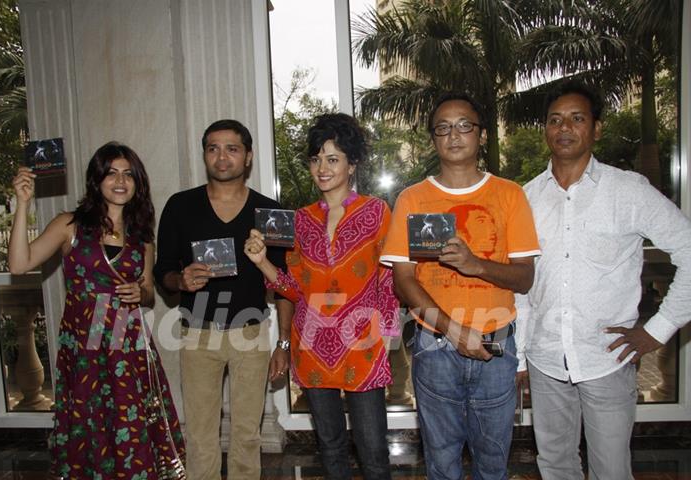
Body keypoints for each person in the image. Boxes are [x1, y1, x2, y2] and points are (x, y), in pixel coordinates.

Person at [517, 80, 691, 479]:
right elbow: (522, 286)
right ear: (545, 129)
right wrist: (520, 353)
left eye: (577, 118)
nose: (564, 128)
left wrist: (657, 331)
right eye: (555, 119)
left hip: (607, 359)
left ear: (596, 129)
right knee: (556, 464)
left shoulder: (628, 191)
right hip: (544, 361)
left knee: (611, 470)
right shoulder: (527, 198)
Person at [380, 92, 540, 479]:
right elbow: (403, 281)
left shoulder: (509, 194)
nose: (454, 135)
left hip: (495, 345)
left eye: (465, 125)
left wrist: (475, 265)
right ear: (433, 138)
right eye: (443, 128)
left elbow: (524, 277)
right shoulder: (413, 199)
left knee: (493, 459)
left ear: (481, 135)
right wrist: (454, 331)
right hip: (435, 346)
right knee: (442, 460)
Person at [9, 142, 185, 479]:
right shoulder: (69, 226)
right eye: (111, 173)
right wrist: (22, 204)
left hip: (128, 347)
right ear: (97, 179)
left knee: (131, 427)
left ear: (138, 182)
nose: (120, 181)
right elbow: (19, 263)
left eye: (128, 174)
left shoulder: (142, 236)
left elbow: (148, 292)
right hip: (85, 349)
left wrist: (141, 291)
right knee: (89, 428)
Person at [244, 113, 399, 479]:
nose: (323, 168)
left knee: (374, 452)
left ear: (352, 163)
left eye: (333, 158)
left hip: (363, 346)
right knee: (330, 448)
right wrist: (262, 261)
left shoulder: (377, 213)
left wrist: (387, 336)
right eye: (316, 159)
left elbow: (388, 279)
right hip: (313, 347)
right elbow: (293, 289)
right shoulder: (300, 220)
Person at [153, 119, 293, 480]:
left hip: (251, 332)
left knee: (248, 434)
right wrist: (179, 279)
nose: (222, 156)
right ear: (204, 155)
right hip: (198, 332)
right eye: (213, 148)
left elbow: (286, 286)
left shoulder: (270, 211)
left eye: (232, 148)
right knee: (200, 435)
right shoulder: (180, 206)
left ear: (248, 157)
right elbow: (162, 271)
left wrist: (283, 343)